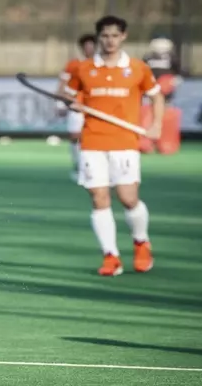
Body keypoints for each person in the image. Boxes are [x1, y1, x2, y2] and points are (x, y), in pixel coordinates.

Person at [65, 15, 164, 276]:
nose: (109, 41)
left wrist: (156, 126)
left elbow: (156, 97)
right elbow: (69, 95)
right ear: (99, 38)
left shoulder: (138, 68)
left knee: (128, 198)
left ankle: (141, 242)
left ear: (123, 36)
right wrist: (70, 102)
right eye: (105, 36)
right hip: (93, 142)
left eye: (114, 35)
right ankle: (111, 256)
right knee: (99, 198)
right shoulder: (84, 69)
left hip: (124, 143)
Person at [56, 33, 96, 181]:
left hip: (93, 108)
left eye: (92, 45)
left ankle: (91, 168)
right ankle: (78, 166)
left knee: (91, 138)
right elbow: (62, 85)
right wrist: (59, 102)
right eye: (86, 46)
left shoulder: (100, 64)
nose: (89, 49)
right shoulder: (73, 64)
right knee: (74, 137)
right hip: (75, 106)